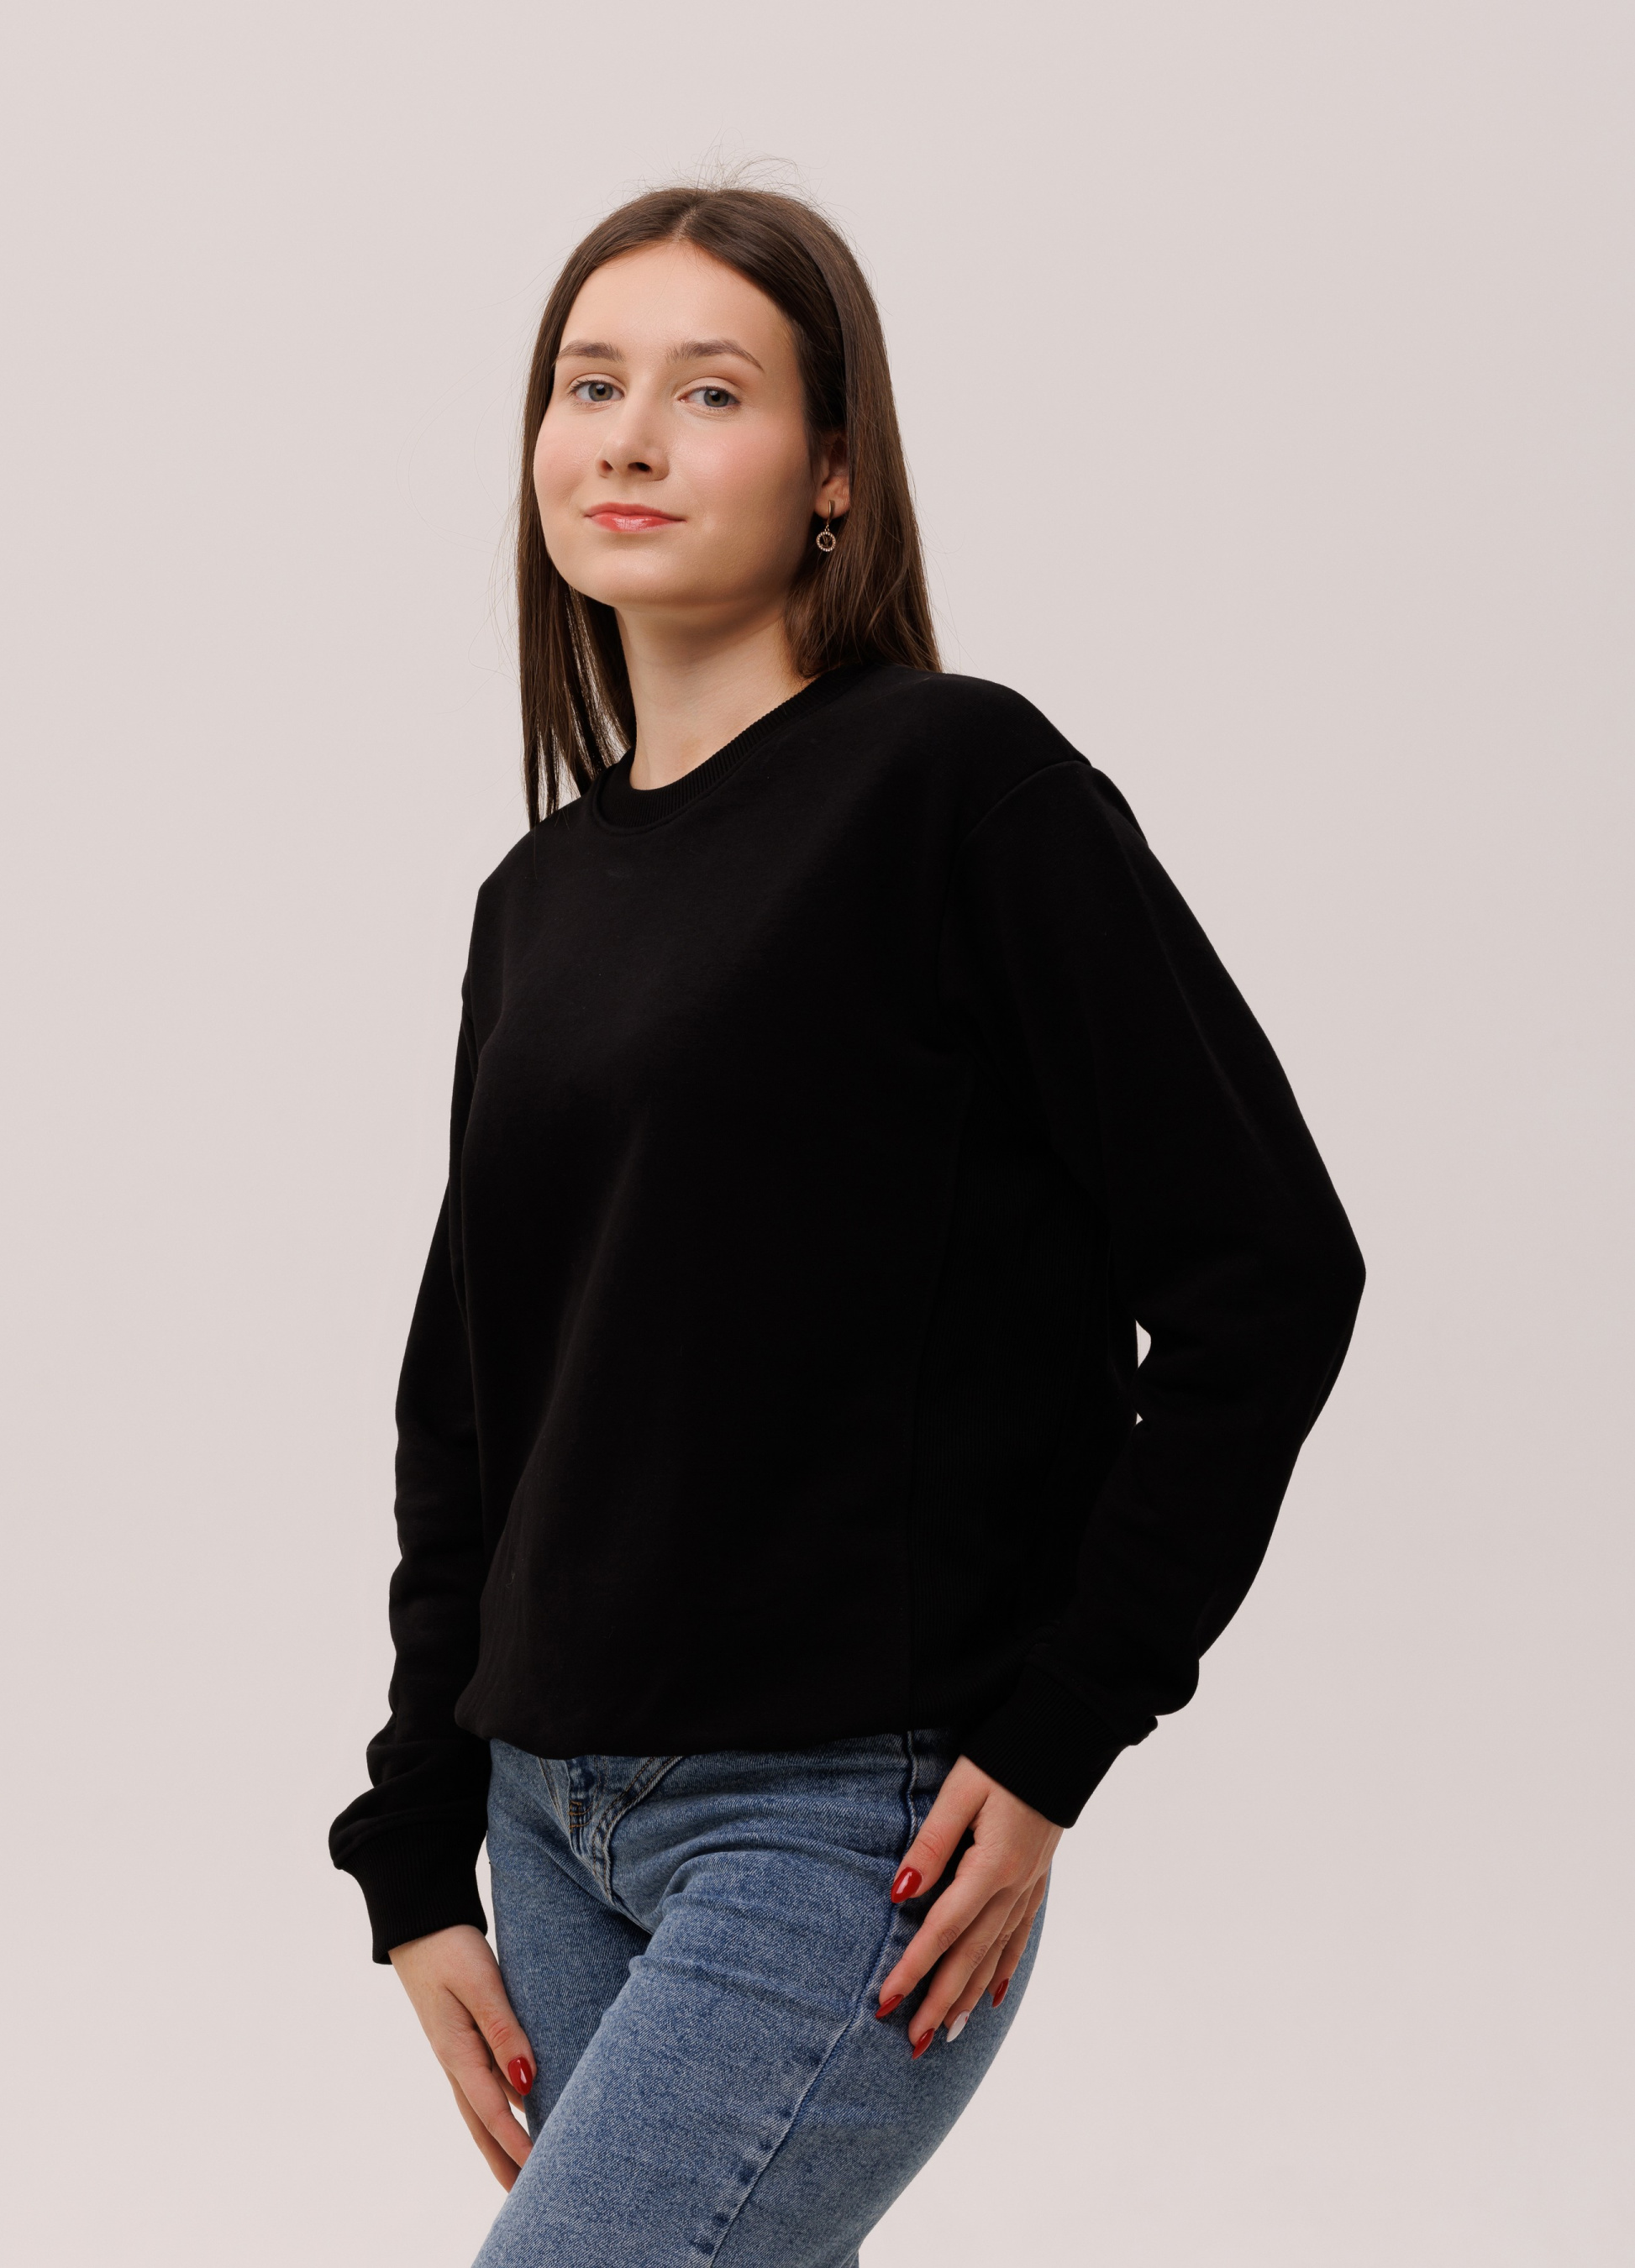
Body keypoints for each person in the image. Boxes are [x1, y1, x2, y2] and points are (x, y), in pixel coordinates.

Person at [327, 181, 1365, 2268]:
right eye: (586, 385)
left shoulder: (955, 788)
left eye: (708, 392)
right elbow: (475, 1414)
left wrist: (1058, 1727)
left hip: (837, 1825)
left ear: (831, 472)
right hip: (546, 1814)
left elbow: (1265, 1274)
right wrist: (420, 1839)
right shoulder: (537, 902)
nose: (627, 437)